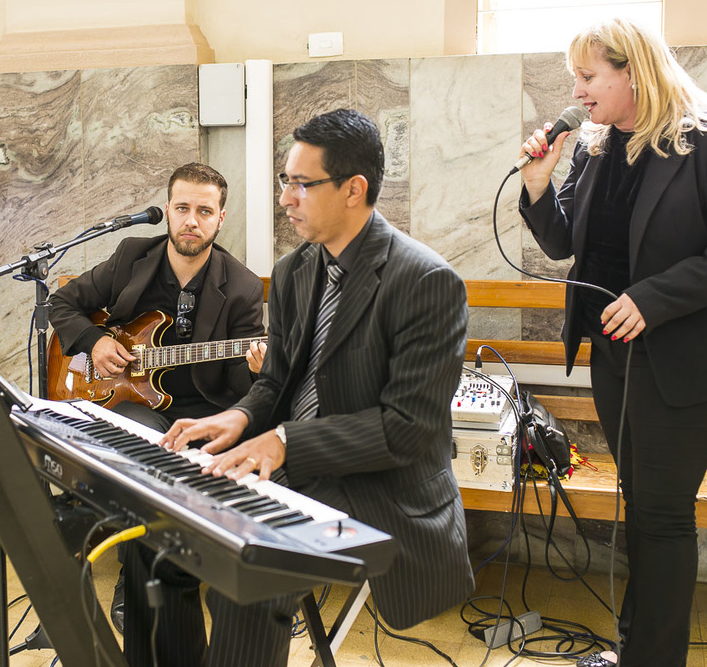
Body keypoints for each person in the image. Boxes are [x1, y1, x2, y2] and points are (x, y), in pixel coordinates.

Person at [146, 108, 475, 667]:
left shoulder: (424, 281)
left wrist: (284, 443)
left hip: (378, 486)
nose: (286, 198)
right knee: (163, 537)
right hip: (302, 464)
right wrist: (242, 419)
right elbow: (276, 380)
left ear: (354, 189)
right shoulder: (296, 269)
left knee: (247, 569)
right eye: (285, 181)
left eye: (302, 183)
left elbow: (409, 431)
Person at [516, 19, 707, 667]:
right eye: (575, 76)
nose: (576, 89)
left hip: (682, 364)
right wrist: (540, 183)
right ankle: (638, 649)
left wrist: (653, 299)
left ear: (634, 71)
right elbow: (564, 243)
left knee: (662, 514)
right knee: (644, 506)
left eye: (588, 75)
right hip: (612, 358)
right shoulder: (597, 146)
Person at [46, 161, 266, 631]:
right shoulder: (131, 258)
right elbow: (60, 304)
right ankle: (121, 575)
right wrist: (95, 342)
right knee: (139, 448)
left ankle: (159, 575)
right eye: (182, 207)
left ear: (220, 219)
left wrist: (260, 368)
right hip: (126, 402)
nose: (192, 220)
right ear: (167, 210)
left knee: (167, 453)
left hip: (202, 412)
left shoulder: (242, 286)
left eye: (204, 211)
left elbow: (244, 389)